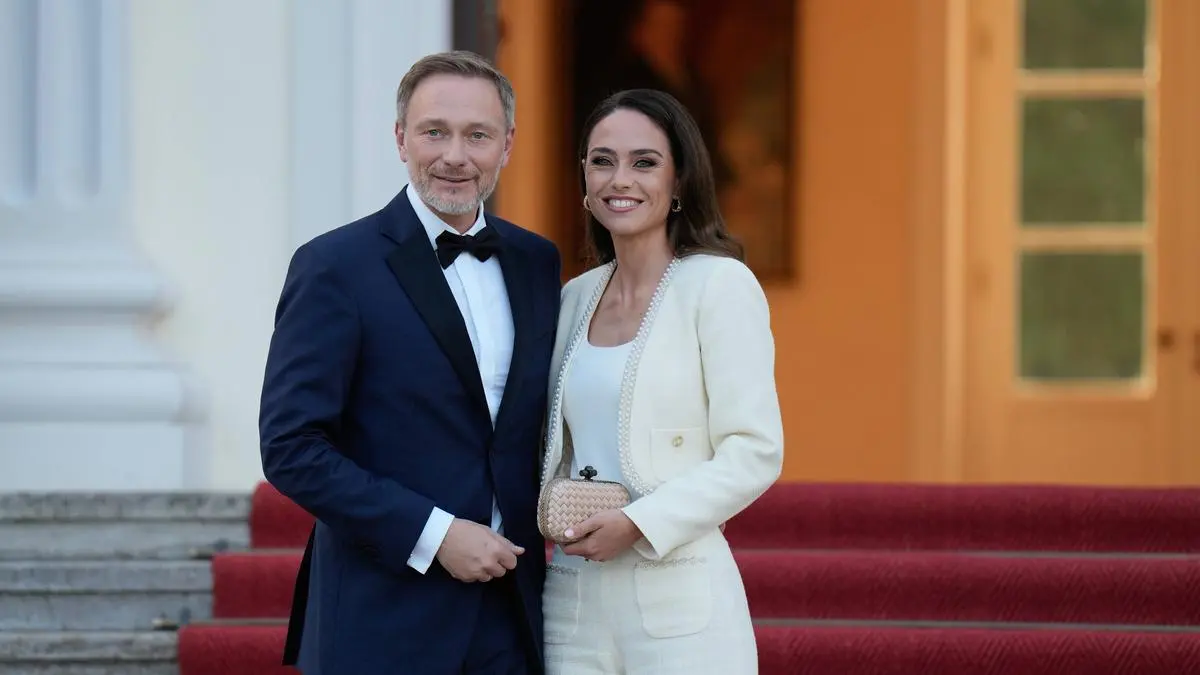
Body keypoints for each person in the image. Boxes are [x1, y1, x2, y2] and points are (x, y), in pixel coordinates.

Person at [259, 51, 562, 674]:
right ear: (401, 138)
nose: (455, 155)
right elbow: (292, 446)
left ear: (507, 144)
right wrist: (435, 534)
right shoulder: (334, 266)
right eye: (434, 132)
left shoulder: (537, 262)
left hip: (513, 616)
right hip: (382, 617)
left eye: (477, 135)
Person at [538, 88, 784, 674]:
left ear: (679, 182)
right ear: (584, 178)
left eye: (644, 162)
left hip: (680, 598)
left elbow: (754, 450)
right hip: (573, 598)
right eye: (602, 161)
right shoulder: (573, 298)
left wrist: (637, 523)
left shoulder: (718, 286)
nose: (619, 179)